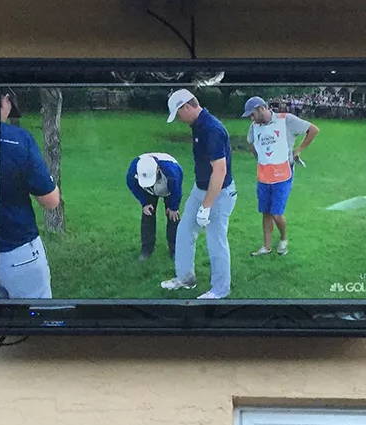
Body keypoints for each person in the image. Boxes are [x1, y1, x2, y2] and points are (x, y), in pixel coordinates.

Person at [160, 89, 237, 299]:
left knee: (216, 240)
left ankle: (221, 289)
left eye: (178, 114)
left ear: (186, 106)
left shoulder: (211, 129)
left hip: (219, 193)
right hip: (201, 188)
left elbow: (219, 171)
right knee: (184, 231)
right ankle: (186, 278)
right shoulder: (197, 124)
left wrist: (207, 206)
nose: (178, 119)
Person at [0, 89, 61, 299]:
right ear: (5, 100)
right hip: (18, 252)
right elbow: (51, 201)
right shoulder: (18, 140)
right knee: (37, 317)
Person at [242, 95, 319, 256]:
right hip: (263, 176)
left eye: (252, 114)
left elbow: (313, 130)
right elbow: (251, 143)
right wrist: (261, 158)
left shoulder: (286, 120)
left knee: (276, 213)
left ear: (261, 109)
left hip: (283, 175)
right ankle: (266, 246)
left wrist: (298, 150)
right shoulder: (254, 126)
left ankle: (283, 239)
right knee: (266, 211)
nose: (251, 118)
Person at [125, 152, 184, 261]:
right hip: (147, 191)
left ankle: (175, 250)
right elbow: (132, 185)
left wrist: (173, 207)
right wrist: (144, 203)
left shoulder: (172, 172)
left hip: (168, 187)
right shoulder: (133, 171)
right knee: (148, 213)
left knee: (173, 217)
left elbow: (177, 190)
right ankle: (146, 249)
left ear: (157, 170)